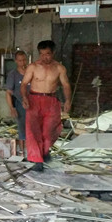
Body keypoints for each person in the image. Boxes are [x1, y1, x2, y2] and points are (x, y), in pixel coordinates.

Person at [20, 40, 72, 172]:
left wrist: (68, 100)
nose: (44, 57)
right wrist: (24, 97)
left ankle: (44, 151)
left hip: (51, 100)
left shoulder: (59, 68)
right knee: (33, 131)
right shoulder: (33, 67)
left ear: (53, 53)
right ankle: (37, 160)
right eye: (42, 54)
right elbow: (24, 84)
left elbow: (66, 85)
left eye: (47, 54)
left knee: (50, 131)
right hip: (34, 99)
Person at [5, 50, 29, 156]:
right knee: (22, 128)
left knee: (33, 129)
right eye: (20, 61)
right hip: (20, 104)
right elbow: (8, 93)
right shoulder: (13, 75)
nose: (22, 63)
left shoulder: (31, 72)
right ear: (15, 61)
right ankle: (22, 152)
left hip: (33, 104)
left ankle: (33, 151)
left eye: (24, 60)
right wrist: (12, 108)